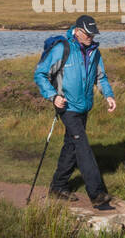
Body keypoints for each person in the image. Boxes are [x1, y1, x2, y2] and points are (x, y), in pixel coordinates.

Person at [33, 14, 118, 210]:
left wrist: (109, 95)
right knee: (82, 146)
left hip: (84, 106)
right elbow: (40, 74)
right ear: (78, 31)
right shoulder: (62, 48)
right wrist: (53, 96)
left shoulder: (94, 52)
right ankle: (97, 195)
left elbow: (101, 77)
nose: (91, 38)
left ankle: (58, 186)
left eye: (93, 34)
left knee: (71, 145)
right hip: (67, 107)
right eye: (88, 34)